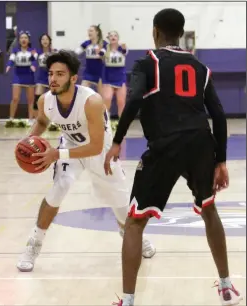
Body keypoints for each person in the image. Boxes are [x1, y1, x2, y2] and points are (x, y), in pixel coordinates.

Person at [104, 8, 242, 306]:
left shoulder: (147, 63)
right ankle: (227, 286)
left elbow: (134, 100)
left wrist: (117, 140)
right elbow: (218, 115)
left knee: (135, 222)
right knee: (209, 211)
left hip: (166, 145)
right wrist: (220, 161)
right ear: (180, 33)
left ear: (155, 31)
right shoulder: (200, 67)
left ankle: (127, 300)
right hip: (200, 144)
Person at [16, 50, 156, 272]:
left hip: (101, 154)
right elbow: (42, 121)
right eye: (51, 73)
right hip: (69, 148)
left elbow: (95, 147)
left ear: (73, 78)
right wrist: (29, 140)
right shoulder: (45, 100)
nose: (53, 79)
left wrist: (56, 154)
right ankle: (34, 243)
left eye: (60, 74)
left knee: (121, 208)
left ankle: (127, 231)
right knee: (60, 186)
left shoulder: (91, 101)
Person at [6, 30, 37, 120]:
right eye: (22, 38)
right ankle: (11, 118)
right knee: (15, 98)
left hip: (29, 76)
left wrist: (33, 65)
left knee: (30, 100)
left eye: (26, 38)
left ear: (29, 40)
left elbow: (34, 60)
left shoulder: (32, 51)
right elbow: (11, 60)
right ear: (19, 40)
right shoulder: (15, 50)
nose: (24, 39)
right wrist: (8, 66)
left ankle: (31, 119)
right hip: (18, 75)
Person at [100, 31, 128, 120]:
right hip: (108, 78)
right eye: (111, 36)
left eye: (115, 35)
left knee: (121, 102)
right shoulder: (105, 48)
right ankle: (105, 123)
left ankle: (122, 125)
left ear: (118, 38)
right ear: (108, 38)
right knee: (107, 100)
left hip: (120, 78)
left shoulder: (122, 48)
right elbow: (101, 54)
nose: (113, 37)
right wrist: (99, 50)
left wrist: (124, 48)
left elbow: (124, 52)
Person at [75, 25, 107, 95]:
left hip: (100, 74)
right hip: (88, 73)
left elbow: (104, 54)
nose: (89, 32)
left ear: (97, 32)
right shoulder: (86, 43)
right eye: (88, 31)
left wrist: (100, 52)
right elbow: (77, 52)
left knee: (101, 97)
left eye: (91, 31)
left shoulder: (103, 43)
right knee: (81, 93)